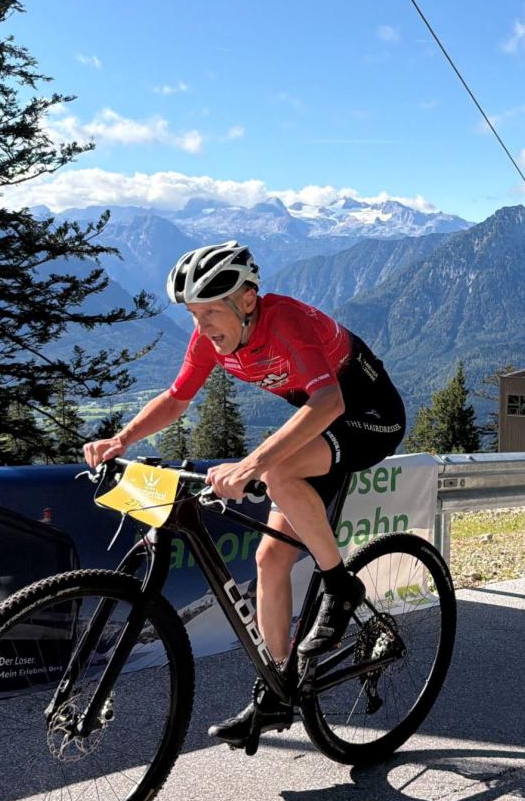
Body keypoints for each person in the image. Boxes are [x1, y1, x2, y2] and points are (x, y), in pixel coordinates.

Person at [82, 241, 406, 747]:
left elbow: (328, 401)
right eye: (192, 314)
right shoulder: (209, 341)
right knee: (269, 559)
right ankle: (277, 693)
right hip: (318, 429)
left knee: (276, 471)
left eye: (211, 311)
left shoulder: (287, 321)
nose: (202, 325)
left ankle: (341, 586)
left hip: (368, 417)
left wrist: (254, 463)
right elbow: (176, 398)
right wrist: (121, 440)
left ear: (247, 299)